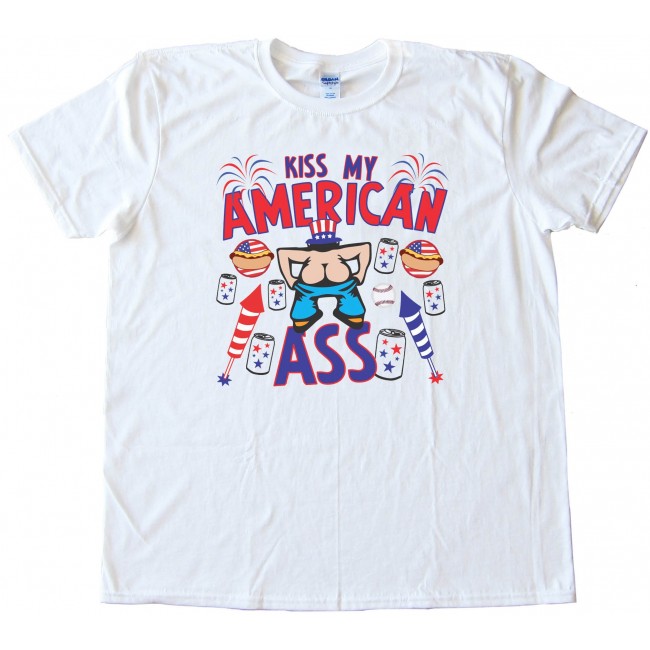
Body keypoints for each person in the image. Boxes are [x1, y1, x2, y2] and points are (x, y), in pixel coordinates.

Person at [277, 218, 371, 333]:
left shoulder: (325, 253)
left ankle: (352, 315)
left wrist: (361, 274)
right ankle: (304, 318)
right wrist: (290, 280)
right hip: (310, 290)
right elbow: (282, 253)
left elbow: (283, 253)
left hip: (340, 288)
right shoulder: (318, 254)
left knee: (354, 311)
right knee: (301, 314)